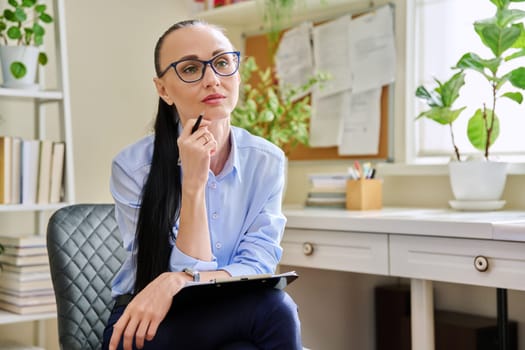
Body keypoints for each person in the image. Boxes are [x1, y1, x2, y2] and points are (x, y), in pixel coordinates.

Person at [101, 19, 303, 350]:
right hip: (146, 323)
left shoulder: (266, 160)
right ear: (163, 89)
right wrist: (194, 181)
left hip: (230, 313)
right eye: (191, 69)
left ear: (237, 74)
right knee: (275, 310)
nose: (212, 79)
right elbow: (191, 283)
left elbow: (258, 264)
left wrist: (178, 279)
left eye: (222, 63)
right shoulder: (134, 167)